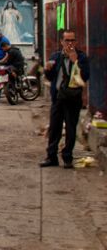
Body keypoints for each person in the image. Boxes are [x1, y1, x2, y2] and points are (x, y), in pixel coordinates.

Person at [40, 31, 91, 169]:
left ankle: (67, 157)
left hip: (73, 98)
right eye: (67, 40)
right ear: (61, 42)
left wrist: (75, 62)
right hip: (58, 98)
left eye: (72, 40)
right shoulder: (56, 56)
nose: (70, 43)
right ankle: (51, 156)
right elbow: (51, 78)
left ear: (75, 42)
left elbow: (85, 76)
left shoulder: (81, 57)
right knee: (55, 128)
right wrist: (47, 69)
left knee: (70, 129)